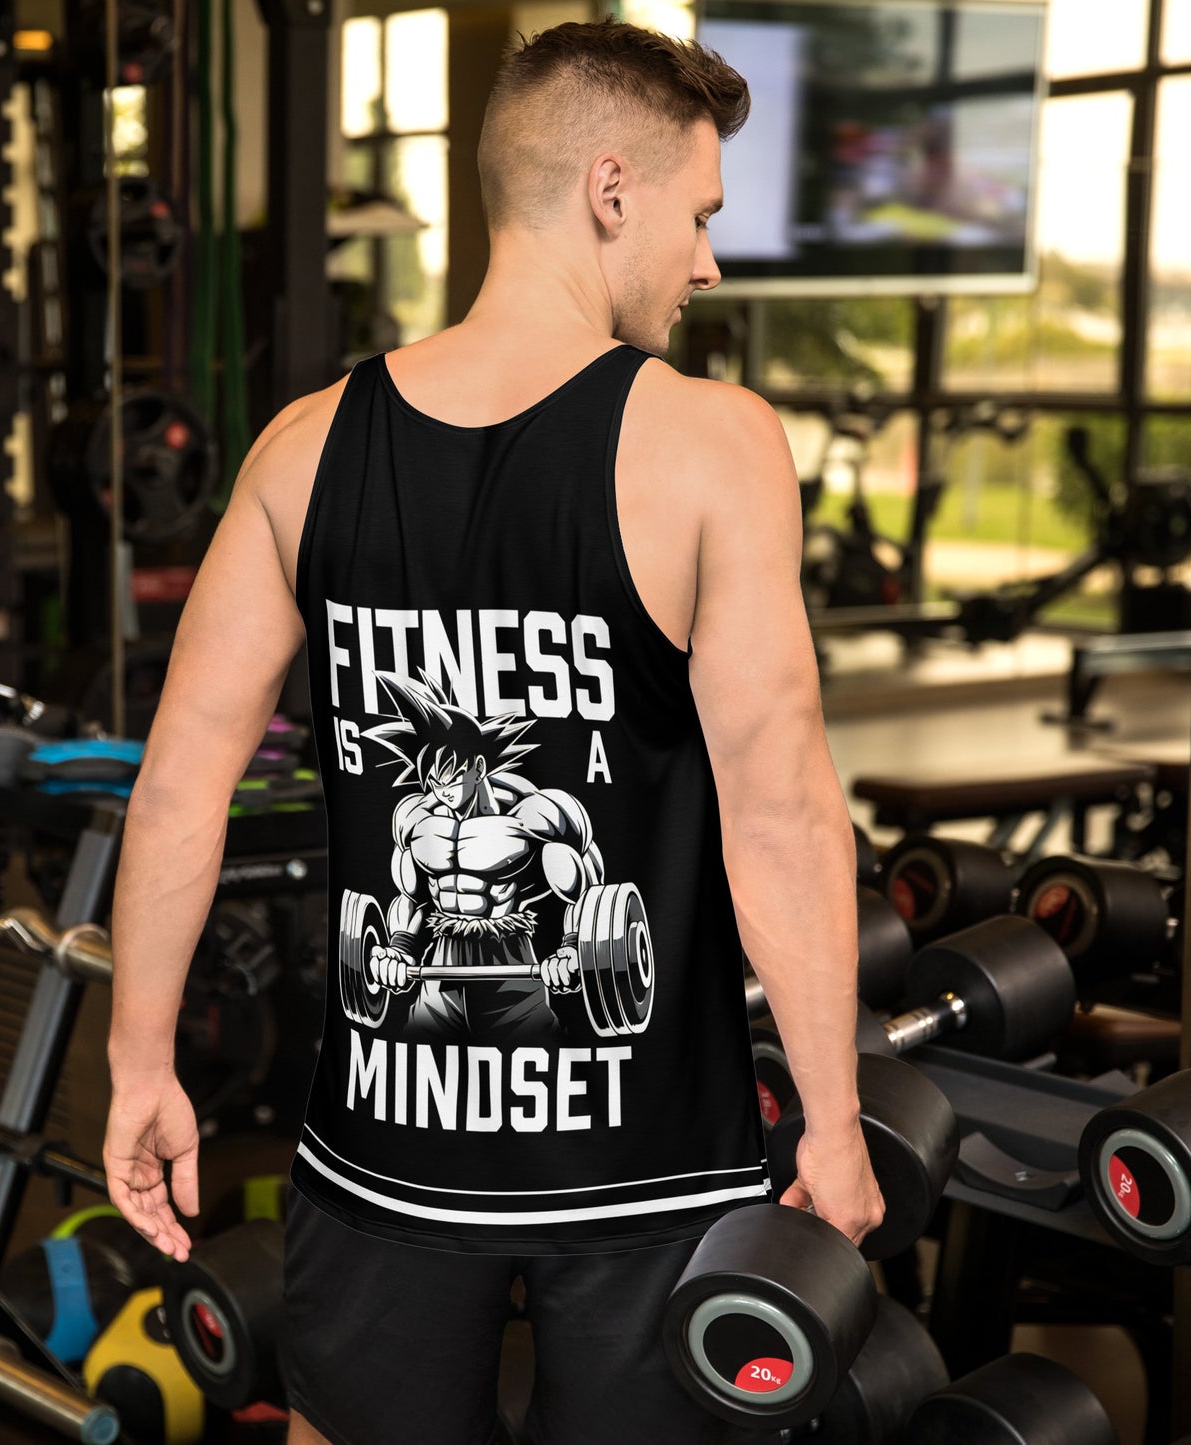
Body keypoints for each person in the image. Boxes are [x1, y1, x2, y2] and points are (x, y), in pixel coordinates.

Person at [103, 17, 883, 1445]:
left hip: (380, 1163)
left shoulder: (301, 445)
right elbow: (780, 813)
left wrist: (141, 1063)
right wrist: (829, 1125)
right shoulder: (716, 447)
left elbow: (177, 786)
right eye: (699, 216)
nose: (705, 262)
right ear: (609, 189)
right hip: (645, 1175)